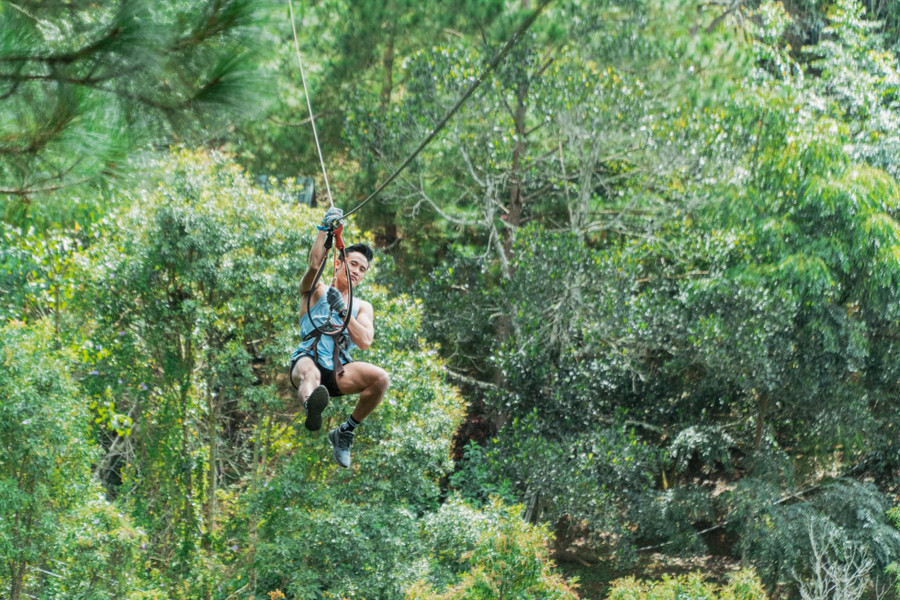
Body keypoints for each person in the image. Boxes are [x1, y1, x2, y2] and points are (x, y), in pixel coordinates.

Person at [289, 207, 390, 468]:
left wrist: (344, 309)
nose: (357, 271)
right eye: (352, 263)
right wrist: (325, 230)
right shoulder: (316, 290)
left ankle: (345, 432)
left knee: (380, 378)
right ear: (338, 262)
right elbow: (313, 265)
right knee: (310, 374)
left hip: (338, 370)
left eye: (362, 269)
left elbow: (365, 341)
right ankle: (312, 405)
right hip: (308, 358)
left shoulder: (362, 307)